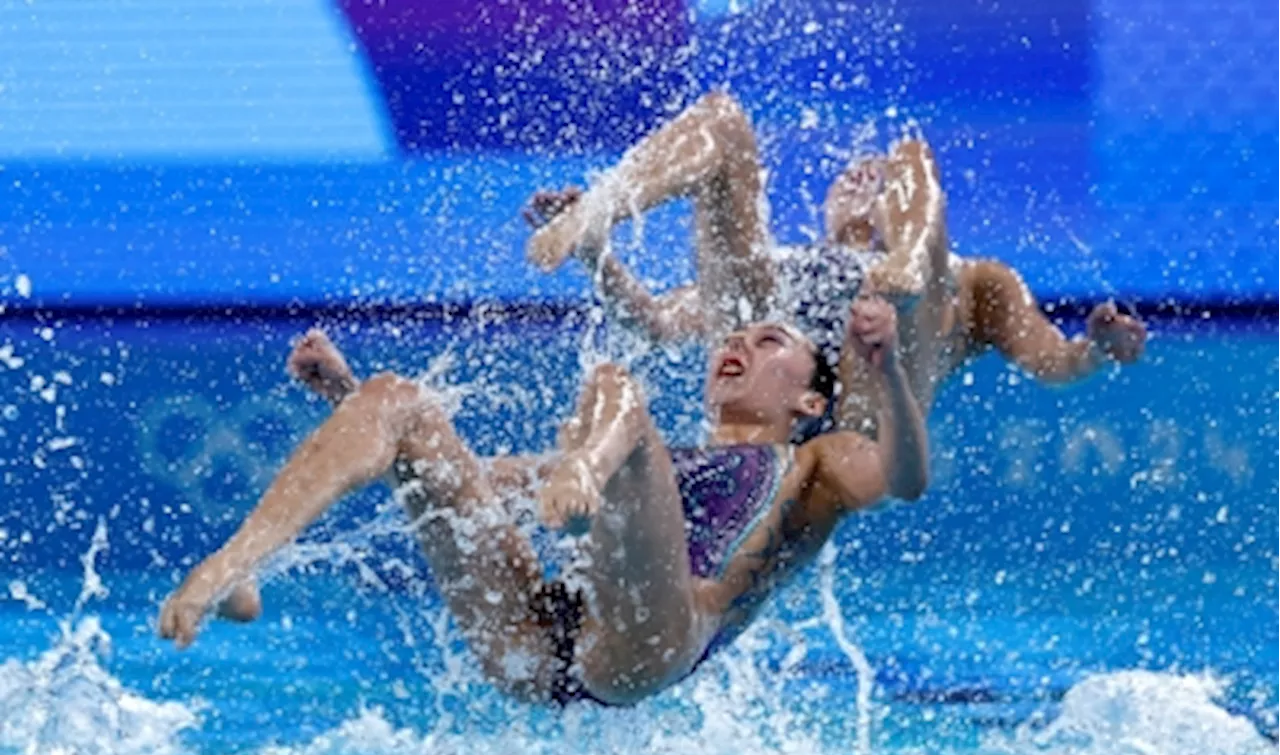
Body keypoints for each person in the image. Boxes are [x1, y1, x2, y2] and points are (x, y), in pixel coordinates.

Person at [158, 295, 927, 707]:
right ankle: (235, 564)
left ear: (811, 398)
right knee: (401, 402)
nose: (741, 343)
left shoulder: (815, 459)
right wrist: (351, 399)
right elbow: (468, 489)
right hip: (539, 639)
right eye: (739, 334)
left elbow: (905, 477)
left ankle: (587, 479)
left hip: (654, 639)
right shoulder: (651, 452)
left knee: (615, 388)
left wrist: (887, 370)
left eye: (771, 343)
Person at [524, 89, 1147, 436]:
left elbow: (1054, 362)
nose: (861, 179)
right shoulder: (790, 264)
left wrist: (1098, 350)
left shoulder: (977, 281)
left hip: (877, 391)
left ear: (905, 210)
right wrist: (595, 258)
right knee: (724, 120)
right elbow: (657, 324)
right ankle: (603, 207)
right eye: (853, 177)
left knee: (913, 151)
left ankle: (901, 262)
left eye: (879, 185)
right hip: (791, 383)